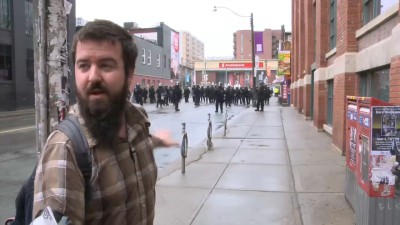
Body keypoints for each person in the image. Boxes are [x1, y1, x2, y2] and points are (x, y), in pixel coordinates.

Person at [32, 20, 177, 224]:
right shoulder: (66, 149)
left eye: (106, 65)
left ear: (129, 73)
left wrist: (158, 141)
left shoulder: (138, 121)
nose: (93, 77)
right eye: (84, 66)